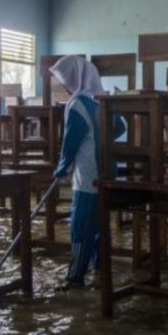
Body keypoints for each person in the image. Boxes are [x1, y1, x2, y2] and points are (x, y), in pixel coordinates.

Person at [50, 55, 122, 289]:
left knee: (81, 226)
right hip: (107, 174)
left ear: (75, 78)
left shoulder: (77, 103)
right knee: (101, 225)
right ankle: (101, 268)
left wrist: (61, 169)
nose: (63, 84)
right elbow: (121, 126)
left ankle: (75, 277)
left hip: (88, 177)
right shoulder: (101, 101)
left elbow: (70, 142)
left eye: (64, 79)